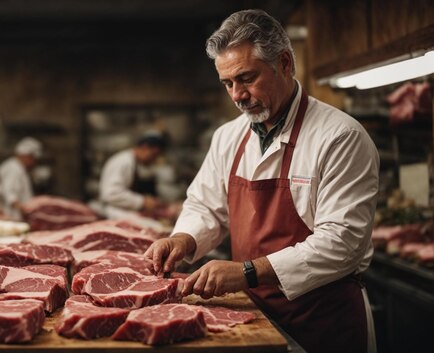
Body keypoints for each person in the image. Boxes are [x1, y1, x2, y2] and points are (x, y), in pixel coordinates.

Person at [145, 9, 378, 353]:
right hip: (255, 317)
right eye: (227, 83)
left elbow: (342, 243)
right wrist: (184, 238)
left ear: (284, 64)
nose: (237, 95)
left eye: (247, 78)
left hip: (323, 319)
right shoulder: (228, 136)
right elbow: (205, 205)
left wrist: (249, 272)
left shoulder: (339, 136)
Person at [99, 131, 166, 213]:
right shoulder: (124, 162)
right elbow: (111, 193)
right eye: (153, 155)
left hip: (122, 211)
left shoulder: (133, 162)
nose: (154, 159)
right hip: (112, 212)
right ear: (145, 148)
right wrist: (142, 201)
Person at [0, 137, 42, 218]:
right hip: (13, 216)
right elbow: (9, 194)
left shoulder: (19, 167)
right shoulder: (13, 168)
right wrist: (25, 209)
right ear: (27, 155)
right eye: (33, 159)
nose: (33, 162)